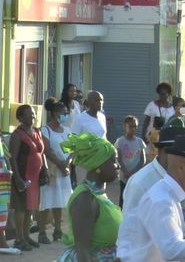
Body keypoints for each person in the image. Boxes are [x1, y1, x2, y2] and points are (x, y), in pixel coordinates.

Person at [57, 133, 122, 261]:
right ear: (99, 165)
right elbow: (83, 250)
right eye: (113, 160)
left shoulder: (99, 194)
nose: (118, 166)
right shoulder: (85, 198)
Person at [120, 126, 185, 212]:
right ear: (165, 151)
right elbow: (128, 223)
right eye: (182, 154)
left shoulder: (182, 178)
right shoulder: (140, 183)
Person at [8, 105, 45, 251]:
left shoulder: (37, 131)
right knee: (21, 208)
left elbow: (42, 153)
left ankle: (26, 235)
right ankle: (19, 238)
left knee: (31, 206)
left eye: (34, 114)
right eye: (30, 114)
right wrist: (17, 178)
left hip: (35, 176)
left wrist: (45, 170)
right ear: (21, 117)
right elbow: (13, 158)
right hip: (23, 175)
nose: (33, 117)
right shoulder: (17, 135)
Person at [39, 98, 73, 244]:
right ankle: (42, 233)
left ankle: (57, 230)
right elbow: (46, 150)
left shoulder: (67, 130)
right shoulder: (45, 130)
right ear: (53, 113)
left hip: (64, 171)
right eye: (62, 113)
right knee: (47, 202)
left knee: (60, 202)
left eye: (66, 113)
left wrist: (67, 163)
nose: (65, 116)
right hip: (51, 171)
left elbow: (72, 149)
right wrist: (60, 164)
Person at [114, 116, 146, 209]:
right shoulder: (120, 141)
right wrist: (125, 171)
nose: (133, 129)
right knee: (123, 198)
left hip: (135, 176)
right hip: (124, 176)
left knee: (134, 198)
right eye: (130, 126)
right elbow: (118, 159)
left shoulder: (139, 142)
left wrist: (133, 172)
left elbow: (142, 160)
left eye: (135, 126)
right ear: (125, 126)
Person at [0, 139, 17, 254]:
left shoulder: (1, 142)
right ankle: (3, 243)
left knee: (2, 212)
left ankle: (2, 242)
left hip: (3, 183)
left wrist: (9, 171)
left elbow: (7, 158)